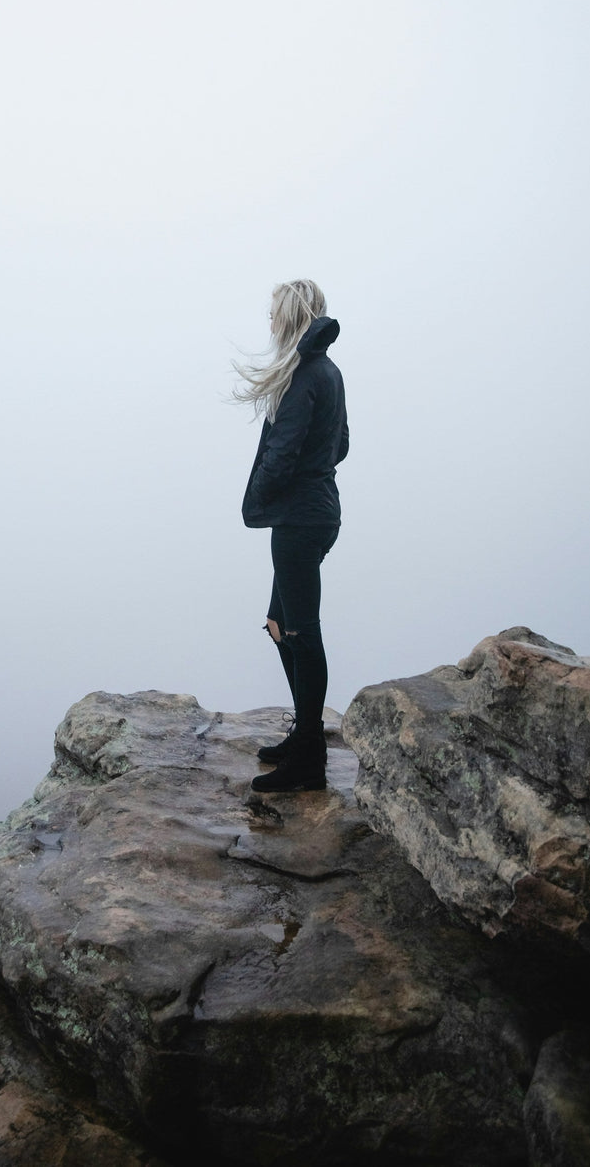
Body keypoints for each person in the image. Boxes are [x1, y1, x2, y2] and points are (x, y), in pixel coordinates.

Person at [234, 279, 349, 794]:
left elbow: (282, 452)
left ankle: (309, 758)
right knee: (280, 624)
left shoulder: (305, 373)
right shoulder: (328, 370)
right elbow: (340, 444)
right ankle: (304, 735)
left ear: (289, 316)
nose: (270, 322)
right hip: (317, 513)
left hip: (300, 520)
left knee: (301, 632)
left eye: (273, 314)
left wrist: (261, 492)